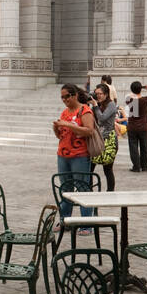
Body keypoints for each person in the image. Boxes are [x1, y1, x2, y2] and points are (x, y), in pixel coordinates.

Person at [53, 83, 97, 220]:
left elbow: (89, 131)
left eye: (67, 96)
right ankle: (65, 220)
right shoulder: (65, 112)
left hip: (80, 155)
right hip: (63, 155)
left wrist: (67, 124)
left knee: (82, 188)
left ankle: (86, 222)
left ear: (75, 95)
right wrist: (56, 129)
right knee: (65, 189)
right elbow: (61, 135)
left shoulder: (84, 110)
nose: (65, 100)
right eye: (62, 97)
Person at [91, 84, 119, 192]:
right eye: (96, 94)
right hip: (97, 139)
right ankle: (89, 190)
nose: (98, 96)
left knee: (107, 169)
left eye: (100, 94)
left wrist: (95, 105)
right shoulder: (97, 104)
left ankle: (110, 192)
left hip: (109, 140)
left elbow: (102, 118)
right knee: (90, 167)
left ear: (106, 94)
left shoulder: (111, 105)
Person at [123, 81, 147, 172]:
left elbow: (130, 94)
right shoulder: (145, 100)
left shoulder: (129, 99)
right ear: (140, 89)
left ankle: (136, 166)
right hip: (143, 127)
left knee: (133, 147)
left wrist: (137, 89)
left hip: (132, 127)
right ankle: (144, 166)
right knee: (144, 147)